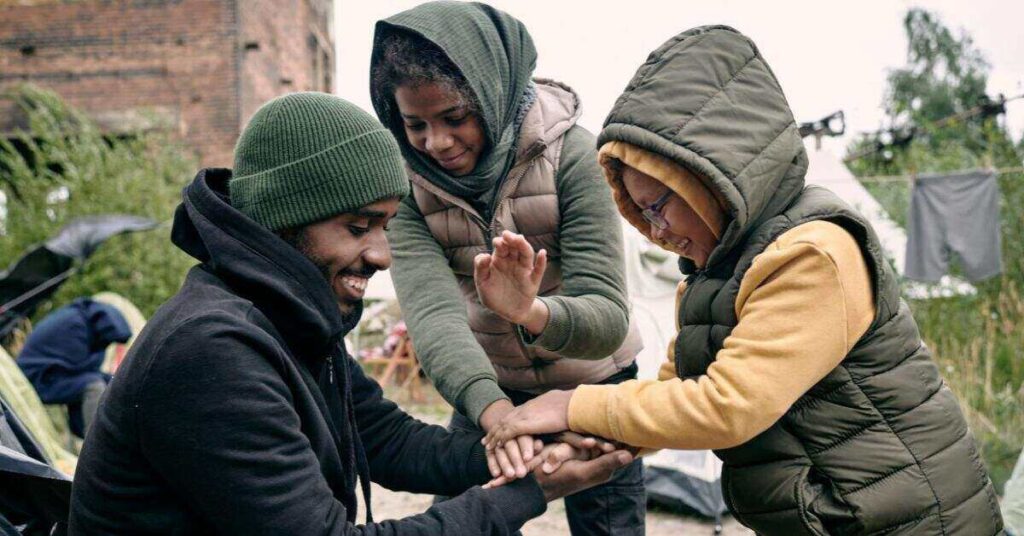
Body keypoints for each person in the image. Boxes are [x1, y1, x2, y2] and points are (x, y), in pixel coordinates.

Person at [485, 25, 1004, 535]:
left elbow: (727, 405)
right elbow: (678, 395)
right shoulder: (715, 276)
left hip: (911, 521)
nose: (656, 230)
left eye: (661, 205)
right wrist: (588, 438)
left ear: (711, 175)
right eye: (642, 212)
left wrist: (569, 403)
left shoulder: (813, 253)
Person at [68, 92, 633, 535]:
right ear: (285, 222)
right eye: (359, 227)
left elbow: (387, 441)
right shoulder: (212, 349)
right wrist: (529, 491)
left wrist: (528, 452)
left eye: (387, 226)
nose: (383, 255)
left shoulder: (287, 318)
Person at [369, 3, 646, 534]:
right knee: (466, 521)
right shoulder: (404, 184)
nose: (437, 143)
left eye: (454, 118)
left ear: (492, 95)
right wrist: (497, 416)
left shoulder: (573, 156)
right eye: (415, 125)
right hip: (489, 388)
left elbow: (608, 317)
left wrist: (531, 310)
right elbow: (433, 318)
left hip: (593, 386)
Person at [17, 297, 131, 438]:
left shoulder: (85, 321)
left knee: (111, 381)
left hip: (55, 374)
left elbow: (85, 368)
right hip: (38, 379)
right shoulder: (75, 325)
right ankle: (96, 441)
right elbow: (79, 368)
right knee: (94, 386)